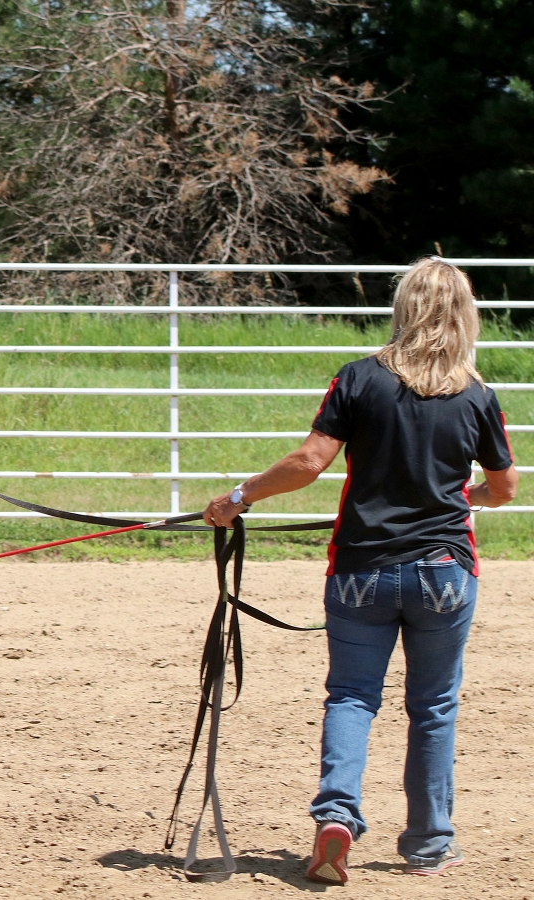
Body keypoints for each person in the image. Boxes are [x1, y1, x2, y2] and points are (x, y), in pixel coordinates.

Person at [202, 258, 517, 884]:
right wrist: (460, 498)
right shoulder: (478, 396)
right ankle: (429, 844)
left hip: (360, 570)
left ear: (403, 308)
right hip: (444, 570)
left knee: (350, 696)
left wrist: (237, 498)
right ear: (464, 315)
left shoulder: (358, 380)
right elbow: (503, 488)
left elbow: (308, 462)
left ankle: (337, 817)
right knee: (433, 707)